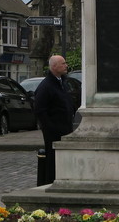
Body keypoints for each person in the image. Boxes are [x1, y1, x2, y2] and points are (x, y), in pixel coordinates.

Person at [33, 55, 78, 183]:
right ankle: (51, 182)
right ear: (54, 66)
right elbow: (40, 110)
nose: (66, 66)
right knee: (53, 160)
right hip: (54, 131)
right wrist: (50, 127)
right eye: (63, 63)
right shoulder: (46, 86)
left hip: (65, 128)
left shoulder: (61, 82)